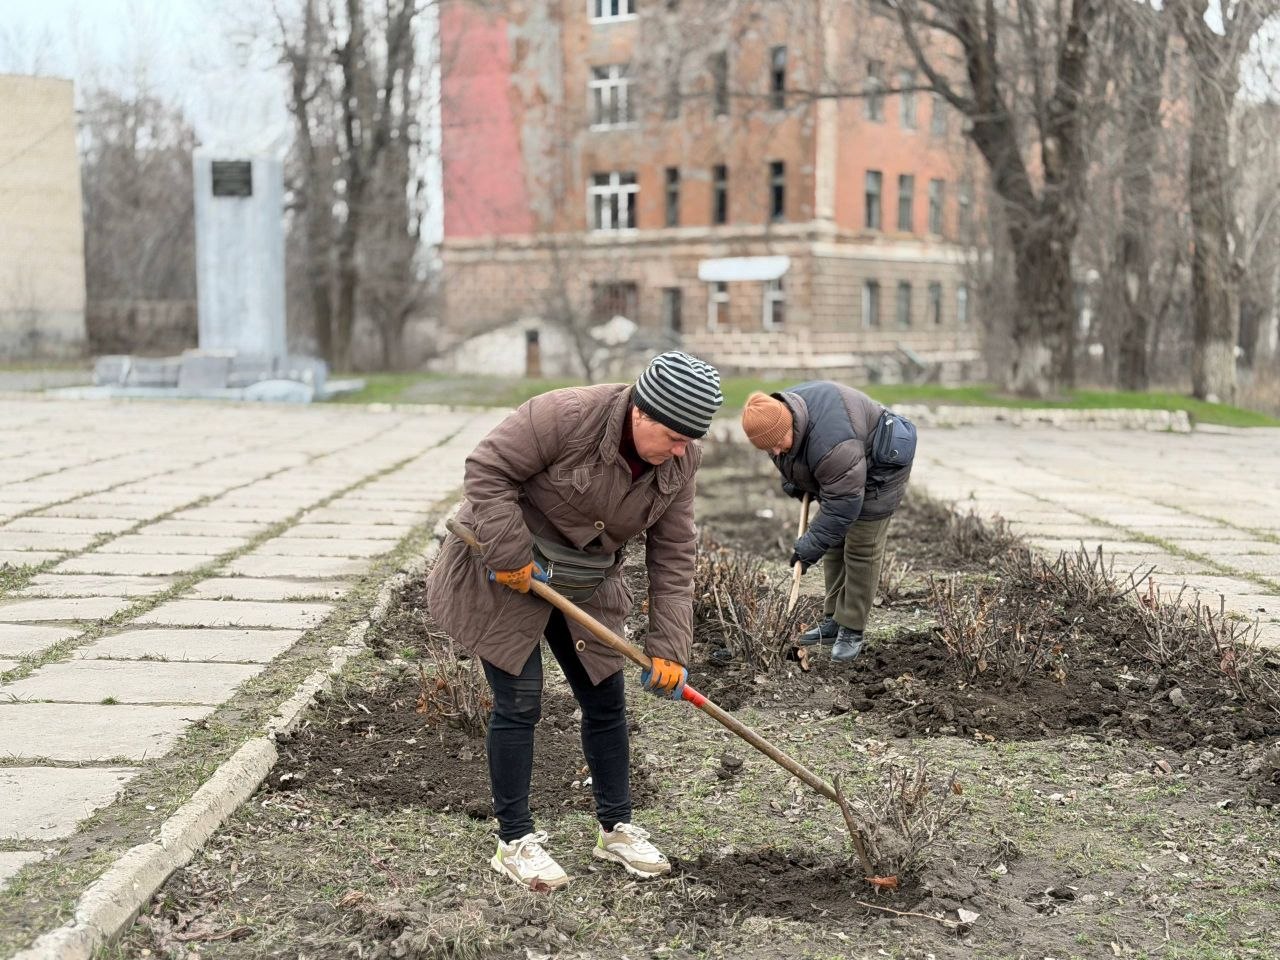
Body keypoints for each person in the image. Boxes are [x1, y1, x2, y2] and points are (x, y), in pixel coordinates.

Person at [427, 351, 723, 890]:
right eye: (676, 438)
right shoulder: (564, 416)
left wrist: (669, 647)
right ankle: (514, 841)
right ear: (642, 414)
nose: (683, 452)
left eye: (689, 442)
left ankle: (617, 829)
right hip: (511, 570)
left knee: (605, 702)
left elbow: (674, 553)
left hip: (587, 580)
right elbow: (487, 468)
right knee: (521, 701)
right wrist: (510, 553)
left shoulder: (681, 459)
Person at [739, 383, 917, 663]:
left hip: (880, 468)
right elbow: (790, 455)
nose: (775, 451)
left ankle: (852, 627)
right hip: (847, 470)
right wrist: (794, 481)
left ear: (790, 426)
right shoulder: (776, 419)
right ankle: (834, 619)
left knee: (861, 546)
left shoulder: (831, 440)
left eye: (777, 443)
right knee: (834, 543)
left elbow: (843, 505)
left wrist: (809, 546)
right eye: (768, 449)